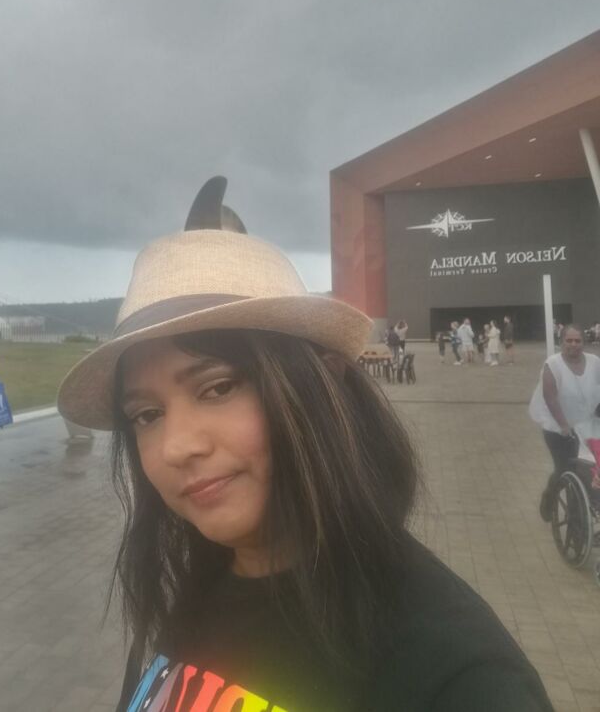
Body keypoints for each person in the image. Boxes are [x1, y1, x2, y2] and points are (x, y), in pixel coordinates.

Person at [58, 178, 553, 712]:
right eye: (147, 415)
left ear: (323, 386)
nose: (176, 447)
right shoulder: (191, 591)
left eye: (218, 388)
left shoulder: (455, 671)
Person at [529, 323, 600, 522]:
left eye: (578, 340)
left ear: (584, 342)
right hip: (558, 427)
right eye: (569, 340)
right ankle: (551, 497)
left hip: (586, 424)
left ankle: (591, 501)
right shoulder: (553, 365)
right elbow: (550, 398)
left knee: (591, 466)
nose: (573, 344)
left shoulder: (595, 362)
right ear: (562, 342)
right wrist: (564, 425)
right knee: (565, 468)